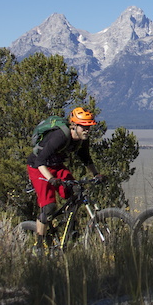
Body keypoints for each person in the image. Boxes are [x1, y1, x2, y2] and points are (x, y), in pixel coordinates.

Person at [27, 106, 104, 248]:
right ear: (74, 126)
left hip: (56, 166)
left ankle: (70, 231)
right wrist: (50, 179)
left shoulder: (82, 138)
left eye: (89, 127)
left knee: (76, 191)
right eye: (84, 127)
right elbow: (39, 161)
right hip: (38, 168)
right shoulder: (60, 137)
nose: (87, 130)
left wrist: (96, 174)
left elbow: (85, 158)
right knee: (48, 206)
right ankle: (38, 246)